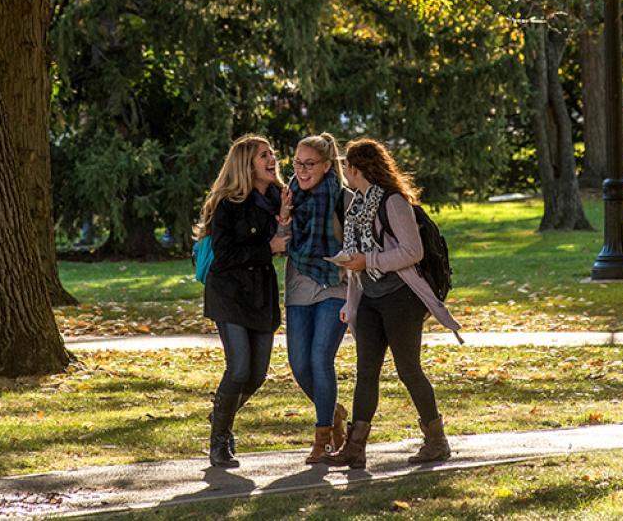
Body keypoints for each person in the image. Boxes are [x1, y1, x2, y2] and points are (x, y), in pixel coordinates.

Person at [323, 137, 462, 470]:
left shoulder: (394, 202)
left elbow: (412, 252)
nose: (345, 172)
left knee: (408, 369)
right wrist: (351, 298)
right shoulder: (356, 206)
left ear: (356, 169)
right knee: (366, 373)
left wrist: (367, 259)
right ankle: (355, 449)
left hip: (401, 299)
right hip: (370, 297)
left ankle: (436, 440)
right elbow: (359, 264)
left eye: (347, 167)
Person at [194, 135, 289, 468]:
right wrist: (270, 248)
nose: (272, 159)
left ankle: (219, 413)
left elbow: (284, 240)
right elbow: (224, 256)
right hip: (229, 293)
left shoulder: (279, 198)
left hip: (261, 294)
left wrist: (284, 232)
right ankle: (219, 441)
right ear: (246, 164)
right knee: (238, 369)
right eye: (263, 155)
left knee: (257, 375)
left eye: (272, 153)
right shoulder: (227, 203)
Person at [277, 133, 350, 463]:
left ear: (326, 165)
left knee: (320, 359)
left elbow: (359, 239)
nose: (302, 170)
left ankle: (322, 440)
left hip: (334, 283)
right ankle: (333, 412)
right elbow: (281, 243)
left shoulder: (342, 197)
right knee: (299, 364)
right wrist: (282, 219)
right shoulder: (289, 195)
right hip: (298, 286)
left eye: (309, 164)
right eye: (296, 163)